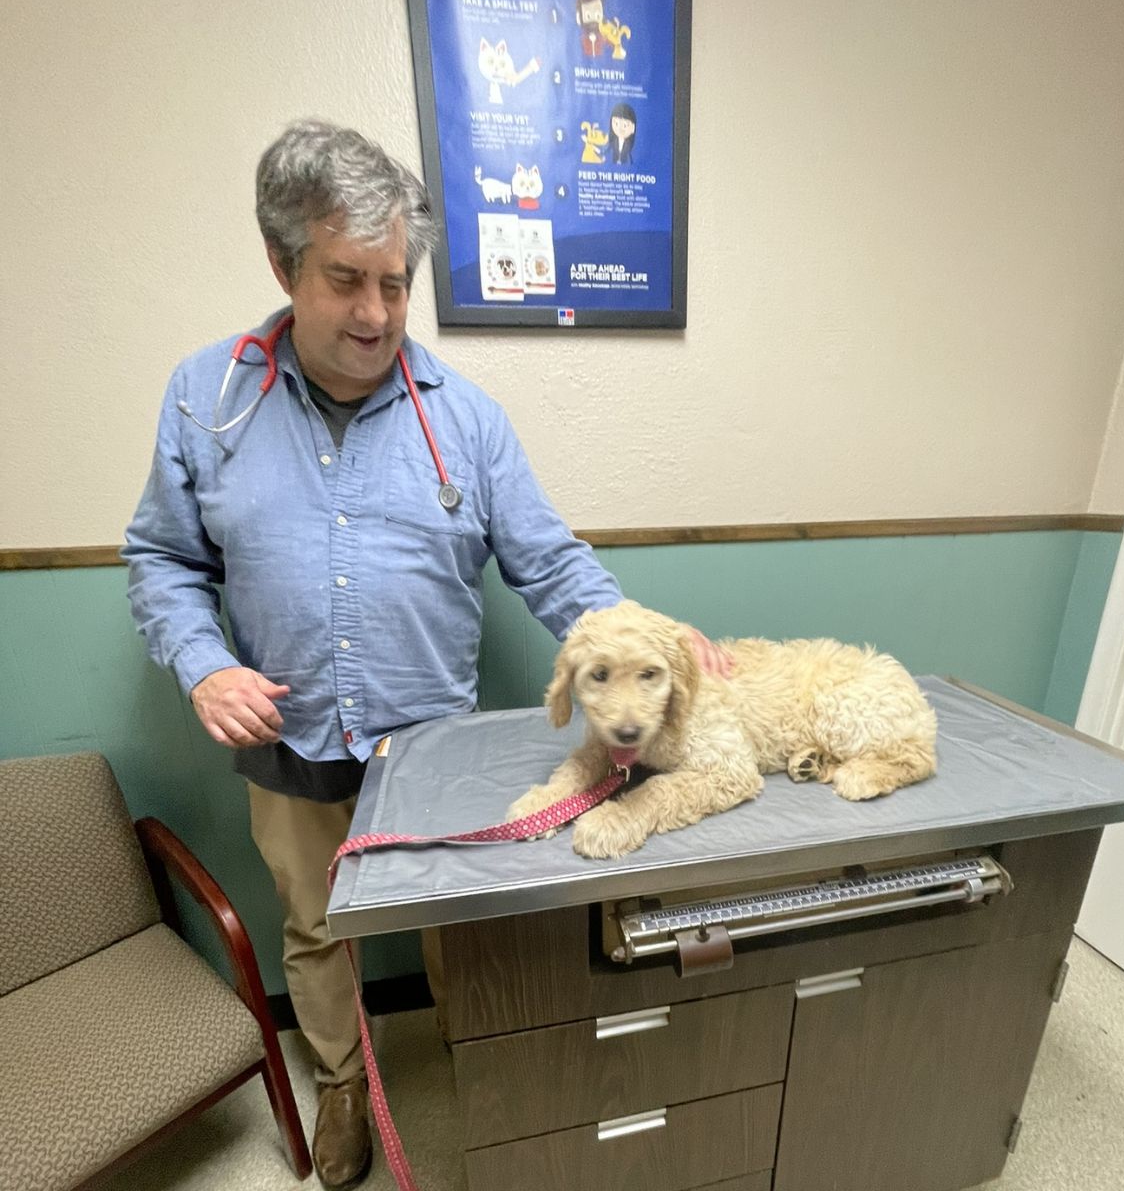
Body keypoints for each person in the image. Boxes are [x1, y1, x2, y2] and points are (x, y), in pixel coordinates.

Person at [122, 119, 724, 1191]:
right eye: (347, 280)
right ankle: (345, 1086)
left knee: (464, 927)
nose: (377, 314)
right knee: (316, 930)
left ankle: (484, 1072)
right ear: (282, 265)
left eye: (397, 284)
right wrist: (205, 665)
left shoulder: (468, 418)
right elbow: (163, 560)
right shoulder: (204, 400)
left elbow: (548, 560)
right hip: (290, 740)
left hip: (430, 750)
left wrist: (651, 638)